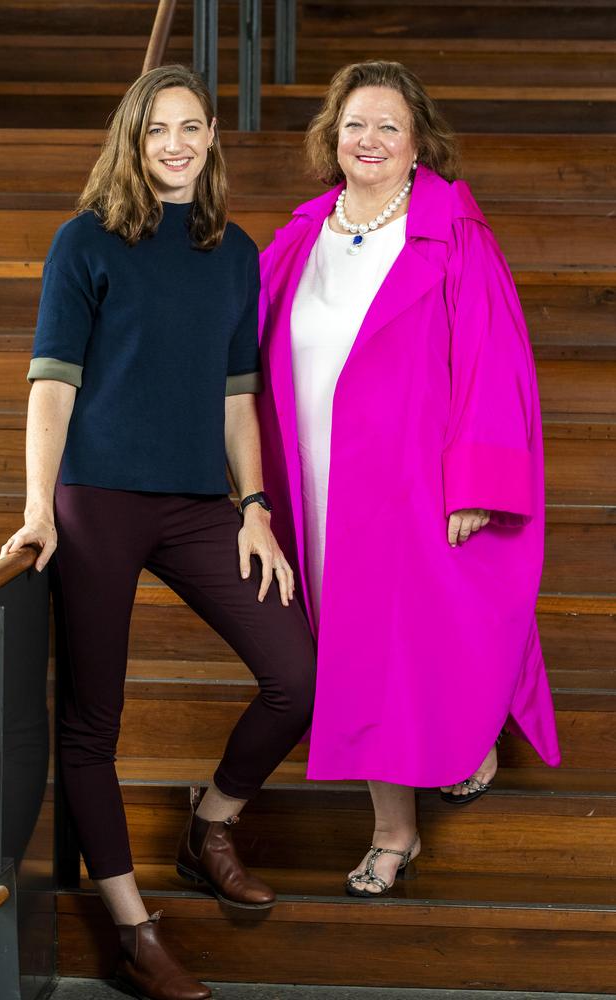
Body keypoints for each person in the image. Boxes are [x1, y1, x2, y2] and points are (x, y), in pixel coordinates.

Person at [0, 64, 316, 1000]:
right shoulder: (83, 243)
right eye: (155, 131)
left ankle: (207, 824)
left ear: (212, 136)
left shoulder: (235, 251)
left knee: (295, 676)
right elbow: (51, 387)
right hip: (96, 501)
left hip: (193, 506)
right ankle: (136, 933)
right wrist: (37, 508)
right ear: (131, 143)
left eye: (190, 127)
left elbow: (236, 399)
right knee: (92, 724)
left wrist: (254, 508)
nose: (174, 144)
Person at [257, 60, 561, 899]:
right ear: (333, 135)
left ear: (420, 142)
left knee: (432, 632)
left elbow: (494, 362)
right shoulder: (300, 234)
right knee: (361, 652)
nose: (370, 140)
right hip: (320, 485)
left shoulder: (452, 230)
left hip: (416, 481)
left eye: (389, 126)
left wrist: (475, 481)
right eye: (356, 124)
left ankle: (437, 778)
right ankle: (399, 825)